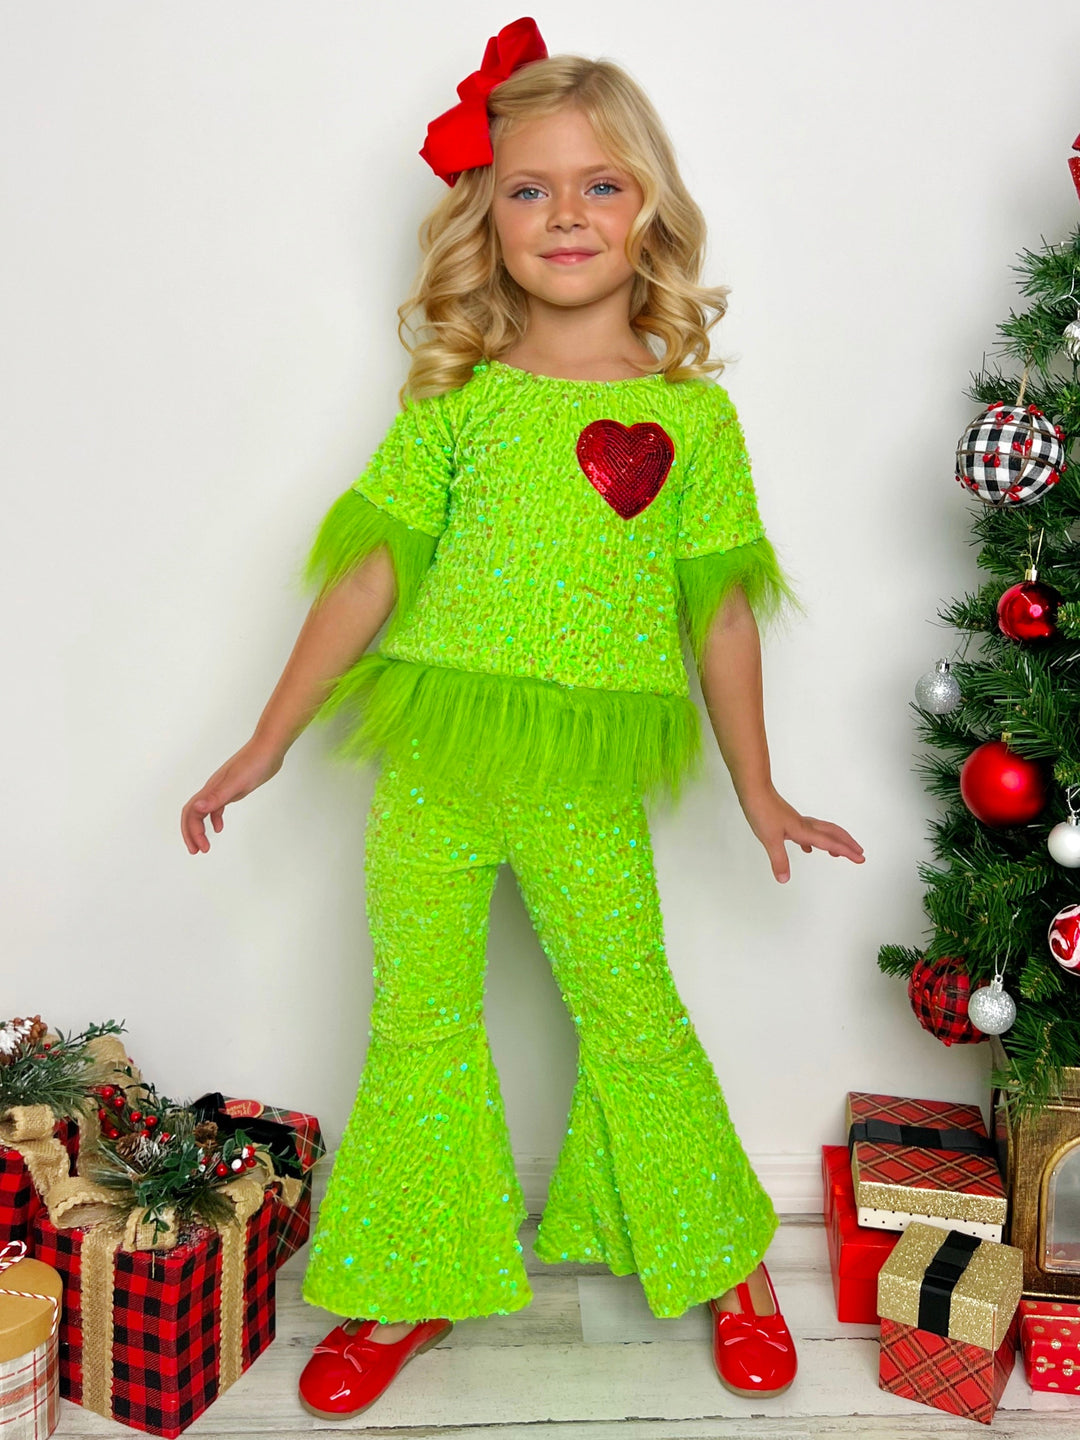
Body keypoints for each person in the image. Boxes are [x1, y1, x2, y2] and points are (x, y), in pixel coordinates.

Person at [181, 16, 864, 1422]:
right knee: (418, 1019)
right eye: (530, 187)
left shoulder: (692, 423)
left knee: (632, 1009)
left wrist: (763, 791)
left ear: (650, 209)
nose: (566, 214)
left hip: (584, 775)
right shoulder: (457, 404)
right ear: (485, 217)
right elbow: (369, 577)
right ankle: (413, 1276)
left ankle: (722, 1257)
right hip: (433, 765)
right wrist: (267, 740)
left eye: (600, 184)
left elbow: (722, 620)